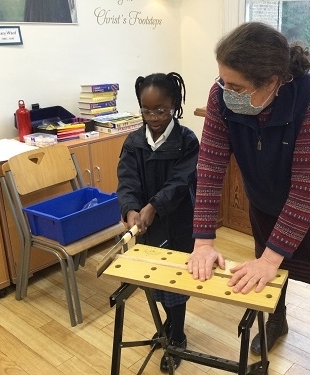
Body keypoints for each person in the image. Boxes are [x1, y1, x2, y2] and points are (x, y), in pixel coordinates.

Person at [187, 22, 310, 375]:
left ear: (273, 81)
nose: (225, 91)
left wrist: (269, 258)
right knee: (271, 276)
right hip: (265, 202)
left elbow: (308, 186)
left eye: (237, 86)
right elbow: (211, 166)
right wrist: (203, 242)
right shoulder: (221, 98)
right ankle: (277, 322)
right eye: (222, 81)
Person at [116, 72, 199, 372]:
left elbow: (180, 182)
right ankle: (167, 322)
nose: (153, 117)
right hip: (146, 227)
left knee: (175, 285)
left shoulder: (187, 140)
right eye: (146, 110)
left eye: (160, 110)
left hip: (177, 224)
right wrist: (129, 210)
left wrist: (153, 206)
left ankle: (177, 335)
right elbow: (127, 181)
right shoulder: (134, 141)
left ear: (174, 105)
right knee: (156, 281)